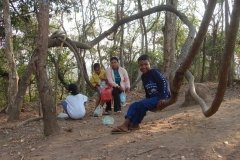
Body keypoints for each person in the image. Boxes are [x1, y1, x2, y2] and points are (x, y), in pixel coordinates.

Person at [111, 54, 170, 133]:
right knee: (134, 105)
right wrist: (147, 100)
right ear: (139, 66)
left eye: (146, 64)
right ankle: (126, 125)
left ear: (150, 64)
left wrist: (163, 97)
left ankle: (135, 124)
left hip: (161, 96)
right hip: (153, 98)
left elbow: (164, 82)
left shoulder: (154, 72)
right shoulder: (143, 77)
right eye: (141, 65)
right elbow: (147, 90)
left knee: (142, 104)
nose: (143, 67)